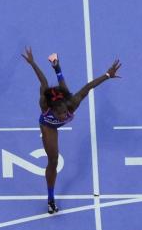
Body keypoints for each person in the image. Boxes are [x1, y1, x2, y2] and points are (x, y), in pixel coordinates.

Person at [22, 47, 121, 214]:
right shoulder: (45, 105)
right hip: (48, 126)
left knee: (65, 90)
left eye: (63, 113)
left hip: (64, 99)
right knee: (53, 161)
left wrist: (107, 75)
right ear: (52, 109)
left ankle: (56, 66)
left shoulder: (71, 104)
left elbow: (88, 87)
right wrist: (32, 63)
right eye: (59, 113)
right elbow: (44, 82)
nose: (62, 116)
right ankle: (51, 199)